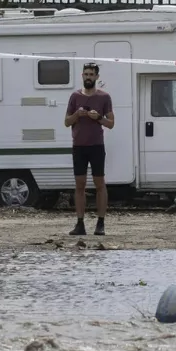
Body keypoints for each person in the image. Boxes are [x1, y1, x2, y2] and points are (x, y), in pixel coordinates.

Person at [64, 63, 114, 236]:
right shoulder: (75, 96)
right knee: (80, 185)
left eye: (91, 74)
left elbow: (111, 123)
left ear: (97, 77)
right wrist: (77, 115)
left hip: (96, 146)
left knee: (100, 184)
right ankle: (80, 224)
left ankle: (100, 223)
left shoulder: (104, 97)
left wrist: (98, 117)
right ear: (82, 76)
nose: (88, 77)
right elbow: (66, 122)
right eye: (85, 74)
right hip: (79, 146)